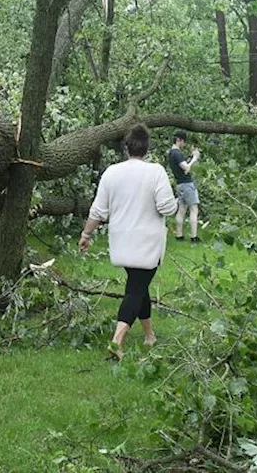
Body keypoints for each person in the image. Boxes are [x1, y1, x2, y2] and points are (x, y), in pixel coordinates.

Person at [80, 124, 178, 359]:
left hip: (122, 242)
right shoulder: (155, 172)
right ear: (147, 148)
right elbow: (166, 207)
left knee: (138, 286)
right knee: (135, 290)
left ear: (126, 148)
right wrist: (175, 202)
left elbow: (98, 210)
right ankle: (116, 343)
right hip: (148, 244)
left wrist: (86, 234)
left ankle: (149, 335)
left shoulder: (112, 172)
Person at [167, 131, 201, 242]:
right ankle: (194, 237)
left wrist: (190, 157)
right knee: (194, 209)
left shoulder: (171, 153)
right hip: (186, 184)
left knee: (181, 209)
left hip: (179, 184)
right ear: (179, 140)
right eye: (183, 142)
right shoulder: (177, 153)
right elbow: (186, 168)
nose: (184, 144)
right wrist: (195, 158)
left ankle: (179, 235)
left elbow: (182, 165)